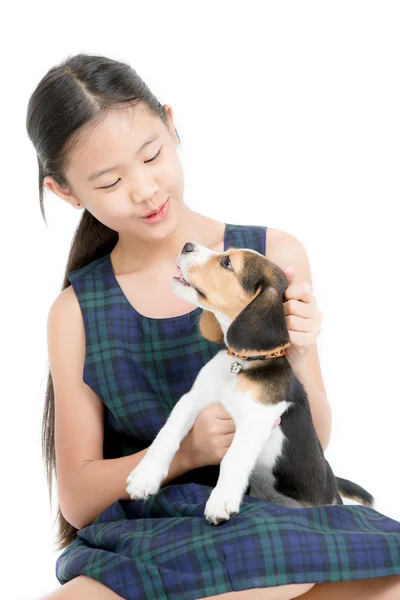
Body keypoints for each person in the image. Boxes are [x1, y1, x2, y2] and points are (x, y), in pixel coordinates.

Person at [26, 53, 400, 600]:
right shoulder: (76, 310)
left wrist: (295, 351)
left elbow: (311, 440)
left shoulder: (271, 256)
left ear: (171, 125)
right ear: (65, 192)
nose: (146, 190)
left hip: (273, 521)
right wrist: (187, 452)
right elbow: (78, 498)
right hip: (152, 537)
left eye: (152, 156)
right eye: (109, 182)